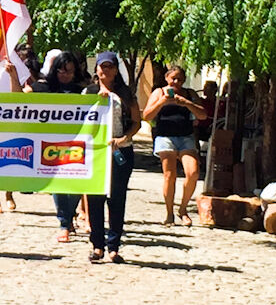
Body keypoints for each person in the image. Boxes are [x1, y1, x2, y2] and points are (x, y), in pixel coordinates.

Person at [83, 52, 141, 264]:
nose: (105, 70)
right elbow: (78, 119)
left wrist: (125, 137)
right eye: (102, 66)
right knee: (95, 198)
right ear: (96, 69)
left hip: (120, 150)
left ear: (116, 70)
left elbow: (137, 121)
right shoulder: (88, 92)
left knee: (117, 199)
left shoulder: (125, 94)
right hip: (95, 151)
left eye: (109, 67)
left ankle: (114, 246)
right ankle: (97, 245)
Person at [30, 51, 86, 242]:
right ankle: (64, 222)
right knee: (58, 185)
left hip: (78, 143)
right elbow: (20, 99)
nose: (65, 75)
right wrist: (14, 76)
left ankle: (69, 216)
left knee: (78, 184)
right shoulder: (44, 88)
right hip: (52, 144)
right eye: (62, 71)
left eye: (69, 71)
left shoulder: (83, 91)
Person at [143, 64, 208, 226]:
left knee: (193, 172)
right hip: (165, 136)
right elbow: (146, 115)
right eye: (173, 78)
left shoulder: (189, 94)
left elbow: (203, 115)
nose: (176, 82)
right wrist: (162, 102)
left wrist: (186, 103)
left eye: (180, 79)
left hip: (185, 136)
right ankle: (169, 212)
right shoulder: (158, 92)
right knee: (169, 175)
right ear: (167, 78)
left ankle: (183, 208)